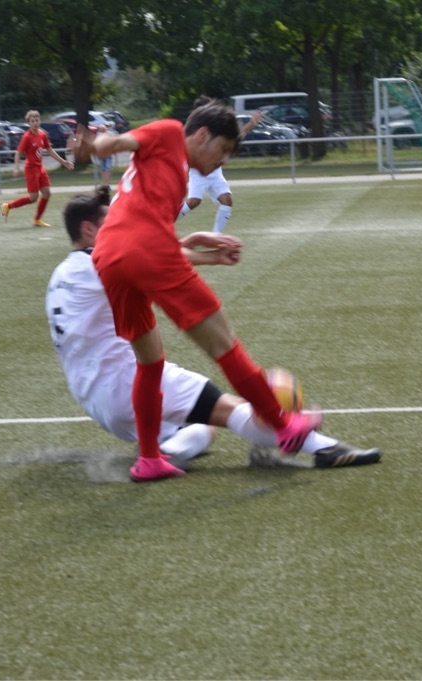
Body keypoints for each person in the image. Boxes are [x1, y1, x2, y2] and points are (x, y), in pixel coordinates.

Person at [47, 188, 381, 471]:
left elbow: (144, 257)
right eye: (110, 225)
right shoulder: (100, 265)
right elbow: (147, 260)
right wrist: (210, 256)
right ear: (88, 229)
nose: (118, 233)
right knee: (235, 410)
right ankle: (323, 448)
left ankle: (165, 452)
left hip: (94, 399)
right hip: (124, 382)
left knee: (203, 430)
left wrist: (191, 245)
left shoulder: (61, 275)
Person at [77, 102, 323, 482]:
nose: (222, 161)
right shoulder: (169, 132)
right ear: (202, 135)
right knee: (225, 344)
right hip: (140, 252)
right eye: (222, 150)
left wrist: (205, 253)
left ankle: (149, 459)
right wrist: (96, 145)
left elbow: (145, 242)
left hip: (109, 259)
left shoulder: (174, 173)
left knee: (150, 362)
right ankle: (284, 427)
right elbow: (116, 144)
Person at [178, 96, 262, 233]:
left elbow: (236, 137)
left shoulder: (218, 131)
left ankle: (217, 235)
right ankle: (168, 220)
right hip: (199, 173)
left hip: (215, 174)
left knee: (227, 200)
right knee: (194, 201)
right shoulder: (198, 133)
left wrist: (251, 124)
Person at [1, 110, 74, 227]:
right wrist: (16, 167)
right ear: (29, 123)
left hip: (40, 168)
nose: (35, 123)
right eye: (32, 121)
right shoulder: (26, 137)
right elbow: (18, 152)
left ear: (39, 121)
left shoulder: (42, 134)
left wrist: (63, 161)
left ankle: (37, 219)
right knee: (33, 198)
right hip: (31, 169)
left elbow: (49, 150)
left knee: (47, 193)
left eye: (37, 120)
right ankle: (8, 206)